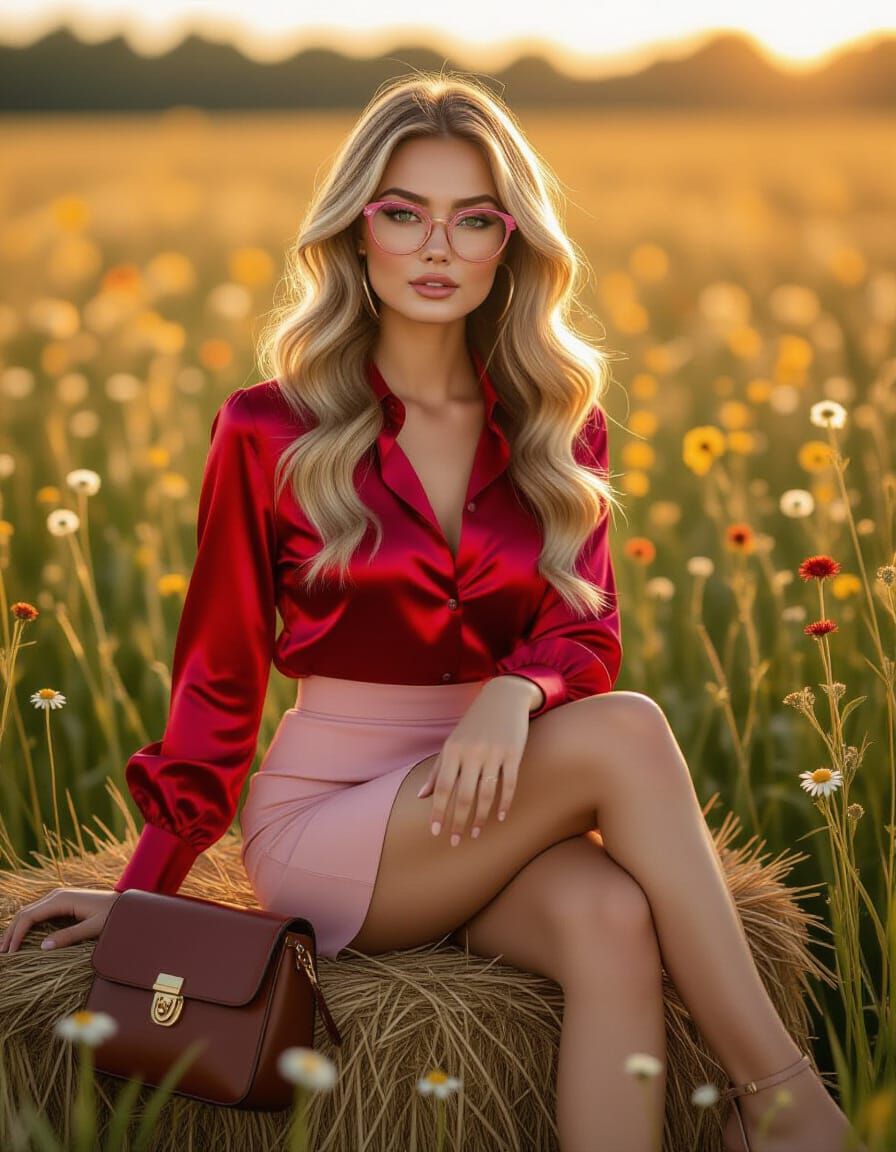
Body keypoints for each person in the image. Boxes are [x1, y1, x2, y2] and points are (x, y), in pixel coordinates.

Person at [0, 73, 864, 1152]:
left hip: (482, 802)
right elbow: (218, 681)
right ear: (355, 234)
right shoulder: (269, 429)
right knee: (630, 728)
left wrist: (517, 689)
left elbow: (582, 634)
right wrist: (140, 894)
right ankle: (781, 1104)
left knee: (611, 923)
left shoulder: (556, 426)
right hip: (334, 827)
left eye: (473, 218)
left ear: (511, 243)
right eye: (402, 212)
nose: (434, 245)